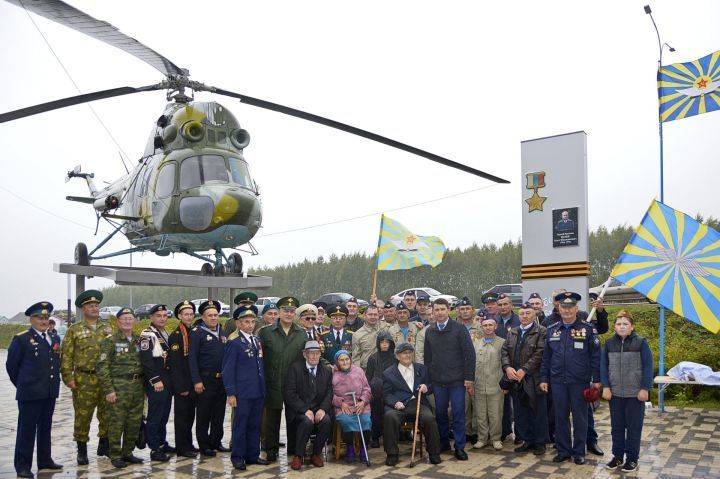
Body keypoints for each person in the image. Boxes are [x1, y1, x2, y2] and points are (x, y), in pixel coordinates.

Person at [542, 289, 608, 455]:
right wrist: (544, 378)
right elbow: (546, 359)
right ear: (559, 308)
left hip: (579, 381)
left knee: (580, 419)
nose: (567, 310)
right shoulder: (551, 330)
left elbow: (595, 357)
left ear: (576, 308)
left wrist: (597, 380)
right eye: (564, 307)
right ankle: (563, 451)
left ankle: (579, 452)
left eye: (571, 307)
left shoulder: (587, 329)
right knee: (561, 418)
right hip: (557, 382)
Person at [6, 302, 63, 478]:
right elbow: (11, 367)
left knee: (45, 427)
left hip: (49, 392)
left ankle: (44, 459)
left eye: (46, 318)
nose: (43, 321)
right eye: (40, 317)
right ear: (32, 319)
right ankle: (23, 465)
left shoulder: (54, 338)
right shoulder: (21, 339)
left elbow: (55, 364)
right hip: (30, 393)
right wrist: (24, 384)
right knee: (27, 429)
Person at [61, 290, 114, 465]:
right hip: (84, 379)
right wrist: (68, 377)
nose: (94, 308)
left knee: (106, 413)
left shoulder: (107, 328)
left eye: (96, 305)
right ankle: (82, 450)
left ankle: (104, 445)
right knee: (83, 415)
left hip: (105, 378)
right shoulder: (74, 330)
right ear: (83, 308)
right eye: (90, 305)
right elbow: (66, 356)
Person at [601, 310, 653, 473]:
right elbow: (603, 366)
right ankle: (617, 457)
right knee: (616, 427)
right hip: (615, 393)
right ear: (614, 327)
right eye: (618, 324)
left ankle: (632, 459)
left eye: (625, 324)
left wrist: (645, 388)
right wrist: (606, 387)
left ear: (632, 327)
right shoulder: (609, 344)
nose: (621, 326)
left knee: (633, 427)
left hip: (635, 394)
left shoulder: (641, 343)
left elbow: (648, 366)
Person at [424, 298, 476, 460]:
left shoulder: (459, 329)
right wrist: (429, 379)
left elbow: (470, 355)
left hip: (457, 381)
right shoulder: (430, 331)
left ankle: (459, 447)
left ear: (448, 310)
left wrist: (469, 378)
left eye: (442, 309)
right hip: (438, 381)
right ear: (433, 312)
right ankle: (443, 442)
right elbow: (427, 358)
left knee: (458, 414)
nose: (439, 312)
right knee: (440, 414)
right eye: (436, 310)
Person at [257, 296, 307, 462]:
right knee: (272, 418)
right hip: (273, 382)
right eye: (285, 310)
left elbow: (308, 356)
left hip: (294, 384)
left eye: (292, 311)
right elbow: (258, 358)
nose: (288, 313)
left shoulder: (301, 334)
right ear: (278, 312)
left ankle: (294, 448)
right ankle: (271, 449)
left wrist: (328, 364)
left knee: (293, 417)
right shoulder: (265, 332)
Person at [223, 305, 270, 470]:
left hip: (257, 391)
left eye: (252, 322)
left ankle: (252, 455)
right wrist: (230, 393)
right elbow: (228, 370)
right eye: (246, 322)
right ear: (238, 324)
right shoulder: (234, 343)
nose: (250, 325)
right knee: (240, 426)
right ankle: (238, 457)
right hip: (242, 393)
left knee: (255, 425)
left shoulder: (256, 341)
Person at [96, 307, 144, 469]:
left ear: (134, 321)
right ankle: (115, 454)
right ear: (118, 322)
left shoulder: (139, 340)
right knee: (117, 423)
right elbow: (102, 366)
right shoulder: (110, 341)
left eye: (130, 318)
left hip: (137, 387)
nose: (127, 321)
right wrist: (108, 390)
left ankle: (127, 452)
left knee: (134, 422)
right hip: (118, 387)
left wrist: (144, 389)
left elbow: (144, 364)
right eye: (124, 319)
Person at [382, 342, 442, 466]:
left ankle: (434, 453)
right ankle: (392, 454)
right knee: (390, 417)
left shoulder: (422, 368)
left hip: (418, 403)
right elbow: (386, 394)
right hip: (399, 406)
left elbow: (430, 386)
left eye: (410, 353)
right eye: (404, 353)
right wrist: (395, 402)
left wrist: (426, 387)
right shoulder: (389, 373)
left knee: (429, 418)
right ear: (397, 356)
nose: (408, 355)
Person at [502, 303, 548, 456]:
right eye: (522, 313)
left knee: (537, 412)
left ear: (534, 314)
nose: (525, 316)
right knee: (521, 413)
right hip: (515, 379)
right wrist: (507, 367)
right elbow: (504, 351)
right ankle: (527, 440)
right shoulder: (513, 332)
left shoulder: (541, 331)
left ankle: (540, 442)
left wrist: (525, 369)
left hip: (533, 379)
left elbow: (540, 353)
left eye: (528, 313)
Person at [284, 341, 333, 470]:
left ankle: (316, 454)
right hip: (299, 410)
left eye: (317, 353)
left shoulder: (326, 370)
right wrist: (305, 410)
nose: (314, 356)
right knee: (307, 422)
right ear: (305, 355)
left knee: (326, 421)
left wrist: (322, 409)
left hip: (318, 408)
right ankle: (298, 455)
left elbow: (329, 392)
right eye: (311, 353)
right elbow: (290, 393)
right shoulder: (295, 369)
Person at [189, 300, 229, 456]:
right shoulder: (197, 333)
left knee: (219, 414)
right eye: (210, 315)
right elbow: (192, 359)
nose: (213, 318)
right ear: (203, 318)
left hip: (221, 380)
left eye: (216, 315)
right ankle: (204, 445)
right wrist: (196, 381)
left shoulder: (222, 331)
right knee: (204, 414)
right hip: (205, 380)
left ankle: (216, 441)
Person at [139, 304, 174, 461]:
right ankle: (154, 448)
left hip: (167, 382)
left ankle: (162, 442)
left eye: (165, 315)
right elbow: (146, 361)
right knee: (155, 416)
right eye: (159, 316)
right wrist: (155, 380)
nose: (162, 318)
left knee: (164, 415)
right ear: (151, 317)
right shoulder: (147, 334)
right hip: (157, 383)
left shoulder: (163, 332)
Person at [168, 300, 199, 458]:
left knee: (189, 417)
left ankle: (188, 444)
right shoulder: (176, 335)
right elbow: (175, 364)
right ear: (179, 316)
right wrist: (181, 387)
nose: (189, 316)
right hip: (183, 385)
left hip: (192, 383)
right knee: (182, 418)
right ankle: (182, 448)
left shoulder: (192, 331)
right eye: (185, 314)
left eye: (191, 314)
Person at [471, 316, 505, 451]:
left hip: (496, 386)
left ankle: (496, 439)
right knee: (480, 414)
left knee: (495, 414)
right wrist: (471, 383)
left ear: (495, 327)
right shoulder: (476, 343)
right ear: (481, 327)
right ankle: (482, 439)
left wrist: (505, 385)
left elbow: (505, 364)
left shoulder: (502, 343)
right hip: (479, 385)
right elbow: (471, 365)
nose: (488, 327)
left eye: (491, 325)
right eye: (485, 325)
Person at [331, 350, 372, 463]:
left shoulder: (358, 371)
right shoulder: (332, 374)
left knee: (366, 421)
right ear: (337, 362)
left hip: (360, 405)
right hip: (343, 407)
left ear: (350, 359)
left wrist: (363, 402)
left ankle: (364, 449)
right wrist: (340, 403)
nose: (345, 362)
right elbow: (328, 394)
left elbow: (367, 389)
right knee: (347, 421)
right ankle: (350, 448)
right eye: (342, 360)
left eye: (347, 359)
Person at [495, 292, 520, 442]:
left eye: (506, 304)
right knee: (503, 402)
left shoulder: (519, 319)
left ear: (511, 305)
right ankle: (505, 431)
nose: (503, 307)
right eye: (500, 305)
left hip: (516, 366)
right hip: (500, 366)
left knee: (518, 403)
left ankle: (520, 433)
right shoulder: (493, 321)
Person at [365, 330, 396, 448]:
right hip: (376, 390)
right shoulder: (372, 358)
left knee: (391, 412)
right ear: (378, 343)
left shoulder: (395, 358)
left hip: (391, 390)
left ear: (390, 343)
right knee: (375, 412)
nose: (384, 344)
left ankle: (393, 436)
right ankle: (375, 437)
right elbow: (368, 376)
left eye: (387, 342)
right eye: (382, 342)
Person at [456, 296, 480, 445]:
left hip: (479, 370)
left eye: (467, 309)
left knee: (477, 404)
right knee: (463, 404)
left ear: (473, 311)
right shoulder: (455, 327)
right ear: (458, 311)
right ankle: (466, 432)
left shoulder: (481, 326)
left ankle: (477, 432)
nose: (465, 311)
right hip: (460, 371)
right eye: (462, 309)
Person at [352, 304, 387, 370]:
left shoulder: (385, 327)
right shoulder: (357, 335)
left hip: (384, 369)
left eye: (375, 314)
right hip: (366, 370)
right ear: (364, 315)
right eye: (370, 314)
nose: (373, 317)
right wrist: (359, 374)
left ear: (378, 316)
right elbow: (356, 358)